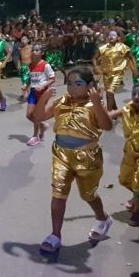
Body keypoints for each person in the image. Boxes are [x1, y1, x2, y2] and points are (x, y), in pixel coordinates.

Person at [33, 67, 113, 261]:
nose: (72, 88)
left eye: (78, 84)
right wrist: (43, 99)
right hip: (61, 154)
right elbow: (39, 117)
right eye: (69, 83)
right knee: (58, 193)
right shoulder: (61, 102)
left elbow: (107, 125)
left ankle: (103, 218)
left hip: (88, 156)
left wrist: (97, 103)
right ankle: (55, 235)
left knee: (88, 194)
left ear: (90, 86)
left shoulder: (94, 104)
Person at [108, 83, 139, 227]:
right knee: (125, 179)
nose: (136, 97)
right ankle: (136, 198)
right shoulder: (128, 108)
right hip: (129, 150)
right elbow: (110, 116)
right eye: (134, 94)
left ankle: (136, 213)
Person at [92, 30, 136, 111]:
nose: (111, 36)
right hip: (106, 74)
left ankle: (109, 115)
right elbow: (94, 58)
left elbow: (131, 57)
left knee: (109, 93)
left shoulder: (123, 47)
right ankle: (115, 112)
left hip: (118, 73)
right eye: (110, 35)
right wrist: (96, 67)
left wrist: (134, 69)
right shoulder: (103, 48)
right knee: (110, 94)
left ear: (118, 38)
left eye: (113, 35)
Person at [25, 44, 56, 147]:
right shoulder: (30, 65)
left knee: (37, 116)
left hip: (42, 93)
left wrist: (43, 85)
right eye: (33, 50)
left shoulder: (46, 65)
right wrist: (26, 85)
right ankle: (42, 125)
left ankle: (35, 136)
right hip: (33, 92)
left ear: (42, 53)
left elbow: (52, 78)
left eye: (37, 50)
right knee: (29, 115)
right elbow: (31, 77)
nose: (34, 52)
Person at [17, 36, 32, 102]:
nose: (23, 40)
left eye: (24, 39)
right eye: (22, 39)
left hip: (29, 66)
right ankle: (29, 96)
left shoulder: (31, 47)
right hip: (23, 66)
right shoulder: (20, 49)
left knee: (25, 82)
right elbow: (19, 58)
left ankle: (22, 95)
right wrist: (18, 65)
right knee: (27, 82)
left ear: (28, 40)